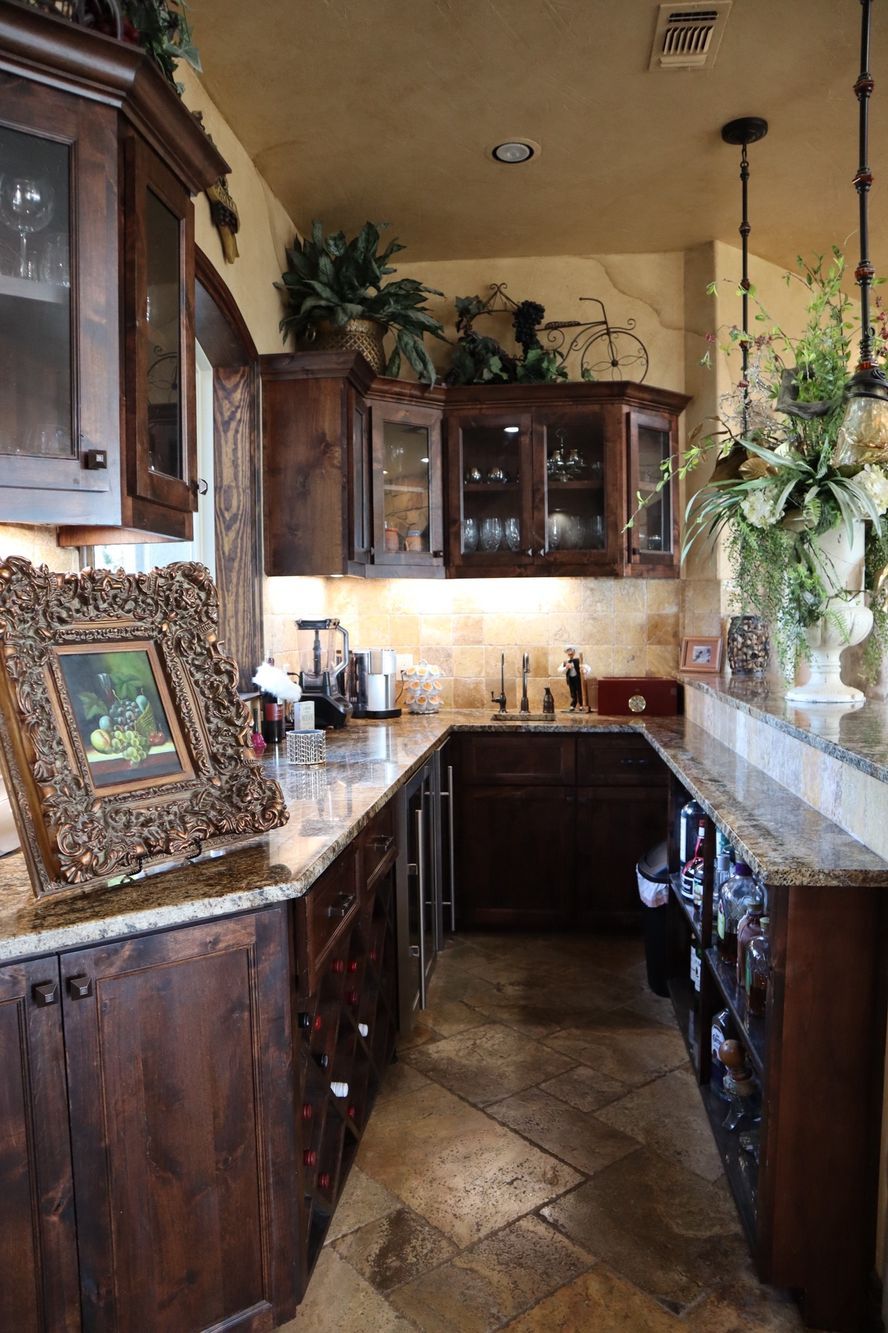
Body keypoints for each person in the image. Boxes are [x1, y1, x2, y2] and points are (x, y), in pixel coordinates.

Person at [559, 646, 583, 711]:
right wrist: (566, 667)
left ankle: (581, 704)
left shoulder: (578, 660)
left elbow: (586, 668)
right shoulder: (565, 662)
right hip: (570, 678)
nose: (570, 654)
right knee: (572, 692)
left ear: (574, 652)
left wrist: (583, 669)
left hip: (577, 678)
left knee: (579, 691)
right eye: (569, 653)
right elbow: (560, 670)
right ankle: (573, 705)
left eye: (571, 653)